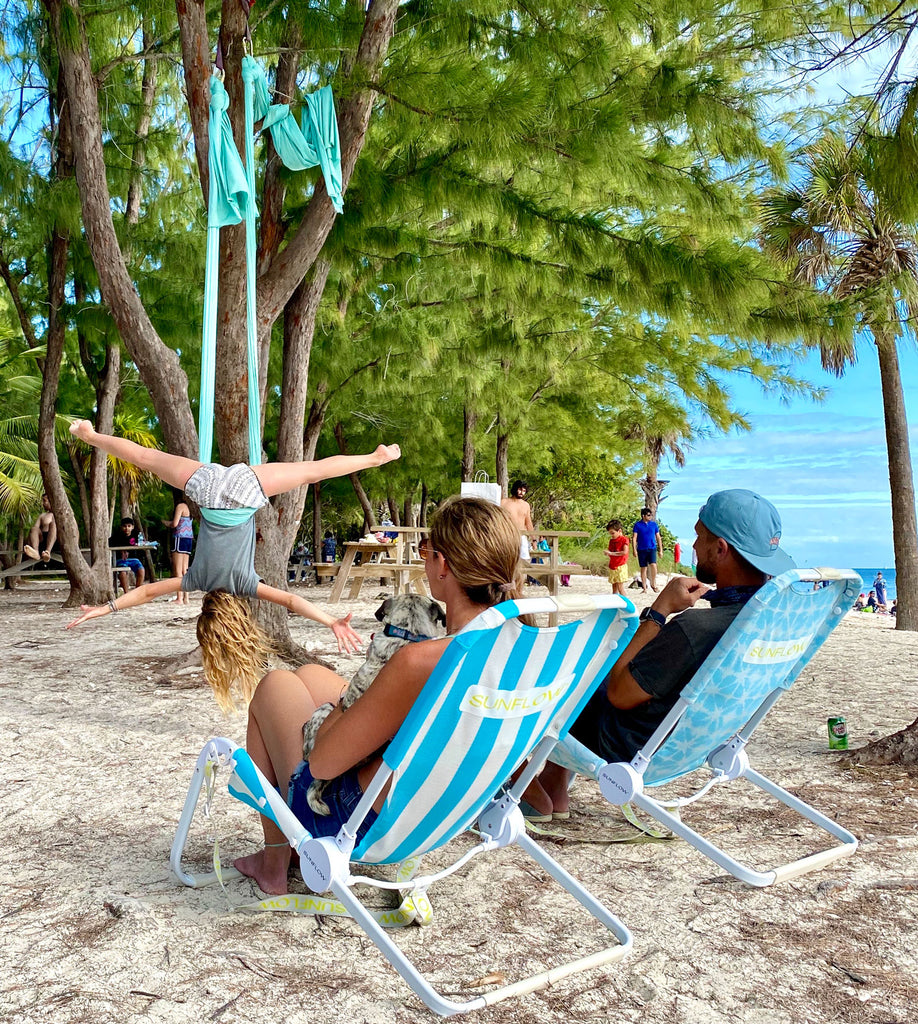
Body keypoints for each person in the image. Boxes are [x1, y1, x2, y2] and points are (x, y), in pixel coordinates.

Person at [232, 495, 529, 894]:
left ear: (442, 565)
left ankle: (275, 864)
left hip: (359, 818)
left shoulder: (420, 661)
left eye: (428, 550)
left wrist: (355, 694)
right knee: (310, 673)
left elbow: (321, 761)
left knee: (275, 686)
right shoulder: (520, 649)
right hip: (444, 808)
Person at [65, 419, 401, 707]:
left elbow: (291, 601)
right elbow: (147, 593)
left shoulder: (244, 583)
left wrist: (331, 622)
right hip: (209, 490)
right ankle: (91, 436)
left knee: (311, 473)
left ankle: (375, 458)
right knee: (146, 459)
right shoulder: (196, 579)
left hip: (245, 492)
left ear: (238, 614)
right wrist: (106, 607)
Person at [523, 488, 795, 819]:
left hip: (629, 745)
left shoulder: (696, 629)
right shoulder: (768, 623)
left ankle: (522, 787)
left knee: (557, 671)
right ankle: (554, 784)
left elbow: (619, 694)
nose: (694, 547)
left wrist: (659, 611)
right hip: (693, 745)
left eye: (699, 537)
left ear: (720, 549)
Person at [164, 490, 194, 604]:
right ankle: (186, 597)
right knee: (185, 569)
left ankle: (179, 597)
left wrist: (167, 523)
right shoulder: (190, 509)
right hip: (188, 538)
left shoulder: (181, 506)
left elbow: (175, 524)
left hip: (179, 537)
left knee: (177, 569)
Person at [109, 516, 146, 593]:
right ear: (121, 527)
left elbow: (142, 544)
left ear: (132, 527)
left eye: (129, 526)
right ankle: (127, 593)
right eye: (124, 526)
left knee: (141, 570)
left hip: (134, 559)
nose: (127, 528)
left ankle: (137, 591)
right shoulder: (116, 536)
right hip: (121, 560)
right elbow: (110, 544)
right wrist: (121, 550)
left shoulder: (137, 534)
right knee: (122, 573)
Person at [501, 480, 534, 561]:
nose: (521, 492)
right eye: (520, 489)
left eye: (524, 491)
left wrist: (534, 539)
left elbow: (528, 523)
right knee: (506, 560)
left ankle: (522, 574)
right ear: (515, 489)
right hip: (507, 535)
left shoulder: (526, 505)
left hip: (521, 536)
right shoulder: (503, 502)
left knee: (524, 561)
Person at [632, 507, 662, 593]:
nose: (650, 517)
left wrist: (660, 550)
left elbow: (658, 537)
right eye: (648, 515)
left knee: (653, 565)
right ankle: (644, 587)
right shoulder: (637, 525)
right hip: (641, 549)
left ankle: (653, 583)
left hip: (652, 548)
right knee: (643, 568)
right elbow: (634, 538)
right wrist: (634, 549)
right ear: (643, 516)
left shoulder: (654, 525)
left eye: (651, 515)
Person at [23, 495, 57, 563]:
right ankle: (36, 552)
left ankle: (48, 552)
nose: (43, 503)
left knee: (54, 523)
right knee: (34, 529)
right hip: (43, 540)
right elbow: (34, 530)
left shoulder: (61, 514)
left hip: (56, 541)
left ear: (51, 501)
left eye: (44, 501)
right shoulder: (43, 515)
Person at [605, 518, 630, 596]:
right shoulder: (611, 541)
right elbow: (610, 551)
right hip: (613, 565)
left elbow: (624, 552)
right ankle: (615, 602)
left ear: (619, 531)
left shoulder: (624, 540)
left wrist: (611, 553)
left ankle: (626, 603)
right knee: (614, 586)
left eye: (613, 533)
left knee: (620, 586)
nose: (612, 535)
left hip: (620, 565)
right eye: (610, 533)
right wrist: (608, 553)